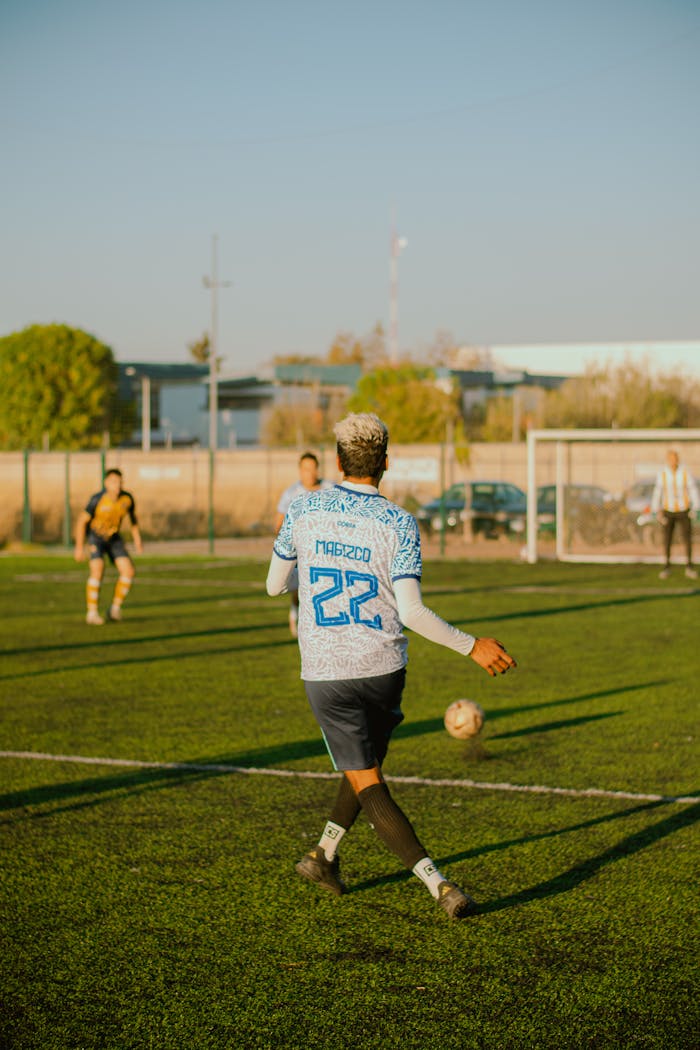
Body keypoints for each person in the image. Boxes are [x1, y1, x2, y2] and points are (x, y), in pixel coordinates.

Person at [266, 413, 516, 919]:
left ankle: (427, 883)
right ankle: (339, 860)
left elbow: (275, 585)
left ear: (338, 461)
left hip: (327, 673)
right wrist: (472, 646)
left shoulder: (303, 507)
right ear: (385, 463)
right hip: (383, 669)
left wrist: (313, 569)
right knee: (366, 770)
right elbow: (412, 612)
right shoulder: (398, 521)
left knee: (366, 777)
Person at [74, 468, 143, 624]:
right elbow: (81, 521)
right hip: (96, 538)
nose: (117, 485)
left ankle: (114, 609)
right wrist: (79, 547)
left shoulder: (127, 499)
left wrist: (137, 539)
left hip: (114, 538)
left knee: (128, 571)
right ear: (106, 483)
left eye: (120, 482)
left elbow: (133, 519)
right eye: (113, 482)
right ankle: (92, 613)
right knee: (97, 569)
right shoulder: (97, 499)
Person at [275, 451, 332, 637]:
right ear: (300, 471)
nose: (310, 473)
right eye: (306, 469)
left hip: (327, 552)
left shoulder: (331, 489)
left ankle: (323, 624)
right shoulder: (291, 494)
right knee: (299, 589)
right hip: (302, 552)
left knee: (326, 588)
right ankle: (295, 616)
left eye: (313, 468)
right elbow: (279, 524)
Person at [651, 449, 699, 580]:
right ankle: (667, 567)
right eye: (671, 459)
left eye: (675, 458)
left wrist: (695, 507)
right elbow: (658, 492)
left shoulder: (685, 472)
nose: (673, 461)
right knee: (667, 539)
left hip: (683, 510)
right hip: (668, 510)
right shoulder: (663, 474)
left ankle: (689, 567)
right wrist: (656, 510)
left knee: (687, 539)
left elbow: (692, 489)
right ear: (668, 460)